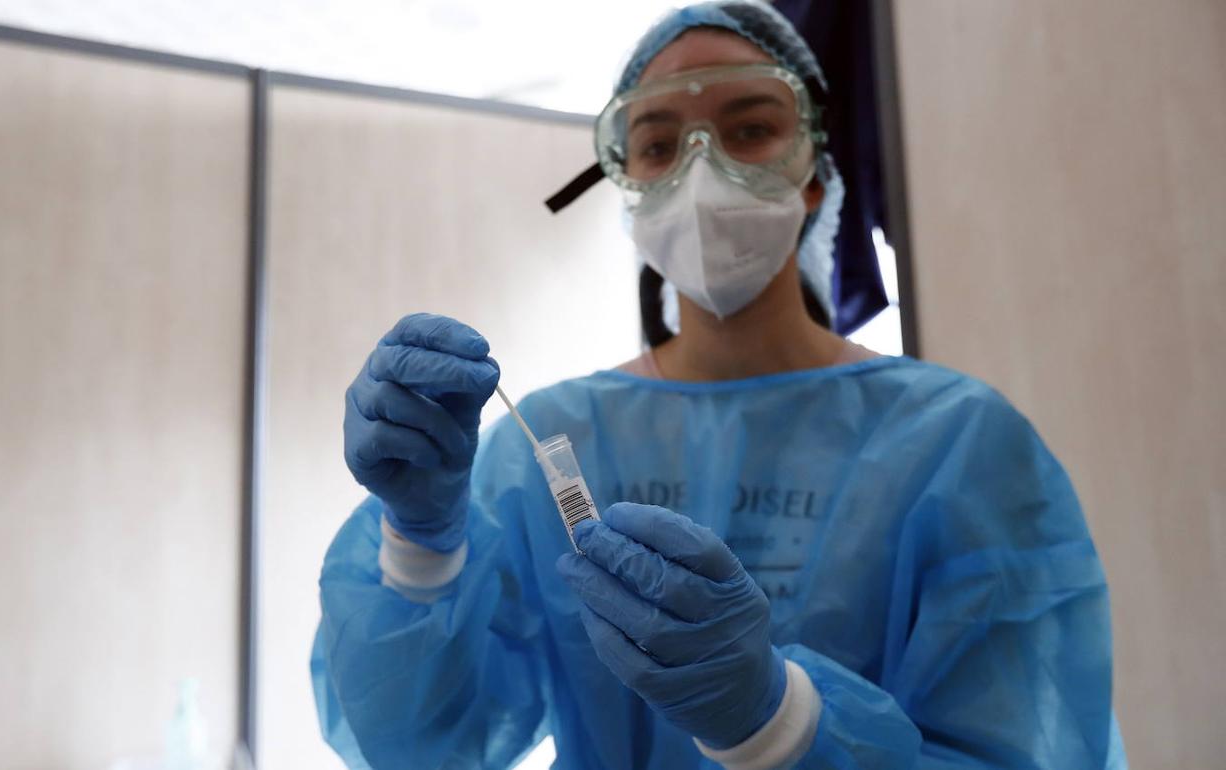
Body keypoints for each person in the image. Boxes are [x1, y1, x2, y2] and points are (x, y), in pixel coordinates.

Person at [311, 2, 1128, 768]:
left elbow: (1031, 744)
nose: (704, 174)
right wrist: (420, 548)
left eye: (750, 129)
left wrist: (779, 723)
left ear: (813, 170)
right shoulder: (549, 441)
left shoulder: (959, 445)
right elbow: (421, 745)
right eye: (661, 144)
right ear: (627, 187)